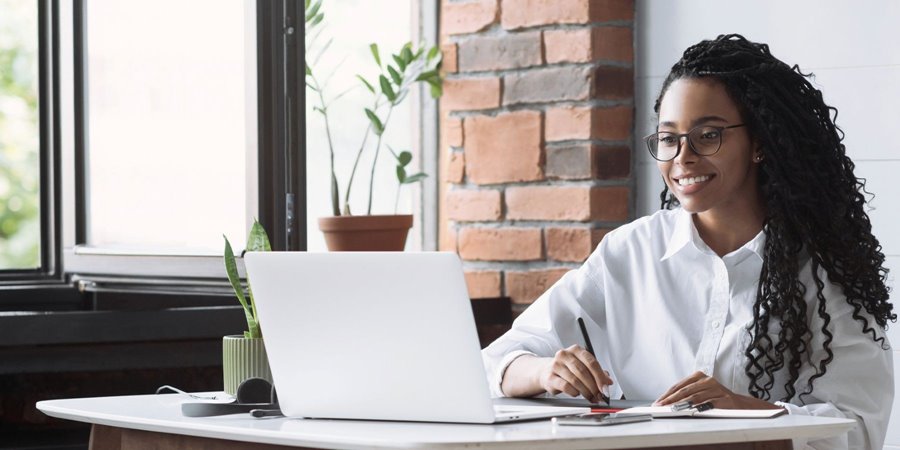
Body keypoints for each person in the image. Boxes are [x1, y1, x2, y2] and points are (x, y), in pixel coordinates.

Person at [482, 34, 894, 450]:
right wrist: (545, 371)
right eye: (668, 138)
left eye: (708, 135)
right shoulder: (630, 251)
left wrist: (744, 415)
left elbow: (858, 427)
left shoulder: (822, 269)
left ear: (760, 144)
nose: (683, 156)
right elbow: (493, 363)